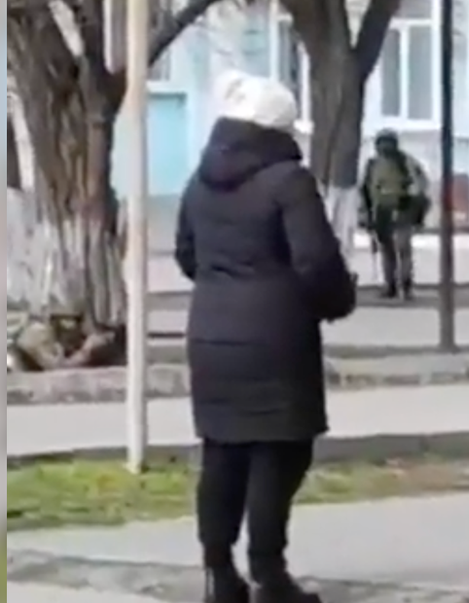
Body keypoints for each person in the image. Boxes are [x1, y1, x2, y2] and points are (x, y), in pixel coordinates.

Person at [174, 72, 357, 603]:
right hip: (276, 337)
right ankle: (267, 572)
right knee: (281, 451)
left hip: (210, 334)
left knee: (223, 452)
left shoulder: (199, 179)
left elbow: (188, 254)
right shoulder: (288, 180)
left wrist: (223, 286)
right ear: (279, 129)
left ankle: (218, 574)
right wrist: (338, 300)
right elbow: (316, 260)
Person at [359, 129, 430, 300]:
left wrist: (410, 199)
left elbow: (420, 184)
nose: (384, 148)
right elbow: (366, 191)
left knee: (401, 249)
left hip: (402, 209)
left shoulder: (405, 162)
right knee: (388, 250)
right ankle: (391, 285)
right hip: (382, 211)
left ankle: (404, 285)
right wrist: (366, 215)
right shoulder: (373, 164)